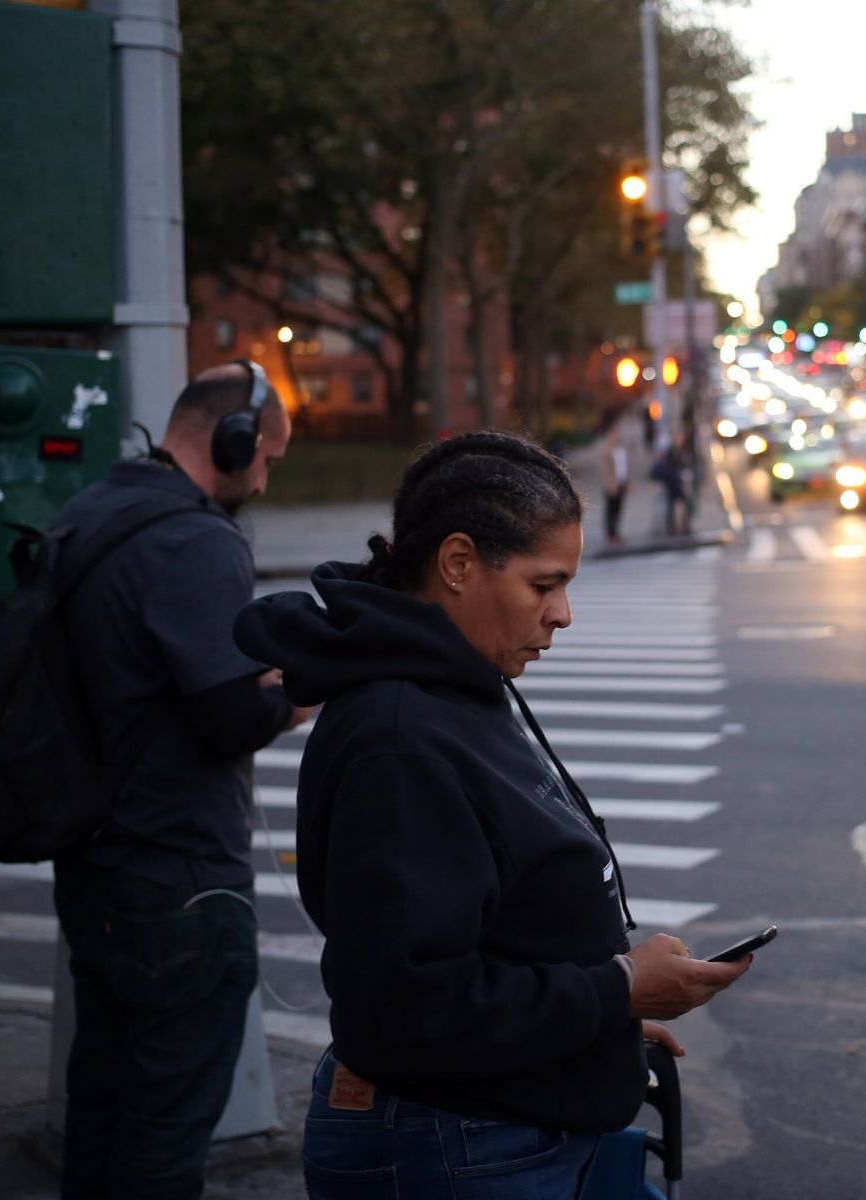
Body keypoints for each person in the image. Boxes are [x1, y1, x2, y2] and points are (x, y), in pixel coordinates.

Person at [234, 431, 750, 1199]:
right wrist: (613, 990)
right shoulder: (401, 739)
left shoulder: (452, 687)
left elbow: (490, 929)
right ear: (459, 564)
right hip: (456, 1146)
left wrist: (597, 1024)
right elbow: (405, 1007)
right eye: (544, 586)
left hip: (490, 1128)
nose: (563, 615)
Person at [51, 361, 313, 1199]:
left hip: (96, 863)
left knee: (102, 1103)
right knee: (167, 1130)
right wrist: (306, 689)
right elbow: (231, 717)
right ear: (235, 442)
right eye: (267, 456)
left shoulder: (95, 509)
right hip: (183, 878)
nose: (265, 477)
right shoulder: (196, 540)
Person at [595, 407, 631, 546]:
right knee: (611, 510)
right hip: (612, 484)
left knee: (618, 509)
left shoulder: (619, 448)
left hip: (620, 482)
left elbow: (623, 467)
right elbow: (605, 469)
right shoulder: (605, 449)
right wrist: (610, 484)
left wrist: (627, 481)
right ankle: (610, 534)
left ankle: (616, 533)